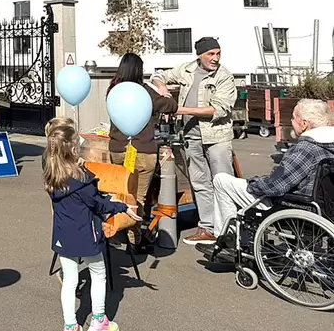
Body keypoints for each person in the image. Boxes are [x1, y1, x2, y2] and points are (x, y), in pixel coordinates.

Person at [44, 118, 140, 331]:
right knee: (98, 273)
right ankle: (99, 320)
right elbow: (98, 204)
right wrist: (123, 207)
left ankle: (70, 325)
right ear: (72, 147)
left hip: (63, 234)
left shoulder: (52, 174)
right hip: (87, 234)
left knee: (70, 280)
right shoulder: (82, 179)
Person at [206, 99, 334, 249]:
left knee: (222, 181)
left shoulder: (306, 148)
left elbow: (276, 186)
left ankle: (228, 241)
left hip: (297, 205)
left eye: (293, 118)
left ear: (305, 124)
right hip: (326, 208)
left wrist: (252, 184)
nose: (291, 121)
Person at [151, 36, 237, 246]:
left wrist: (177, 109)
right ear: (199, 55)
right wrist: (162, 89)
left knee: (222, 183)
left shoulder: (224, 77)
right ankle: (207, 228)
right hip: (191, 137)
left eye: (218, 53)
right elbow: (158, 75)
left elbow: (219, 109)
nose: (215, 58)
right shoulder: (187, 70)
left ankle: (229, 229)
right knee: (200, 183)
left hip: (217, 138)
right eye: (210, 54)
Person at [107, 53, 178, 247]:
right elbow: (171, 106)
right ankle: (134, 238)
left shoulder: (113, 90)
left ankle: (117, 231)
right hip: (143, 149)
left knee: (120, 192)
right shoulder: (145, 92)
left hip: (118, 148)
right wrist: (165, 93)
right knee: (138, 197)